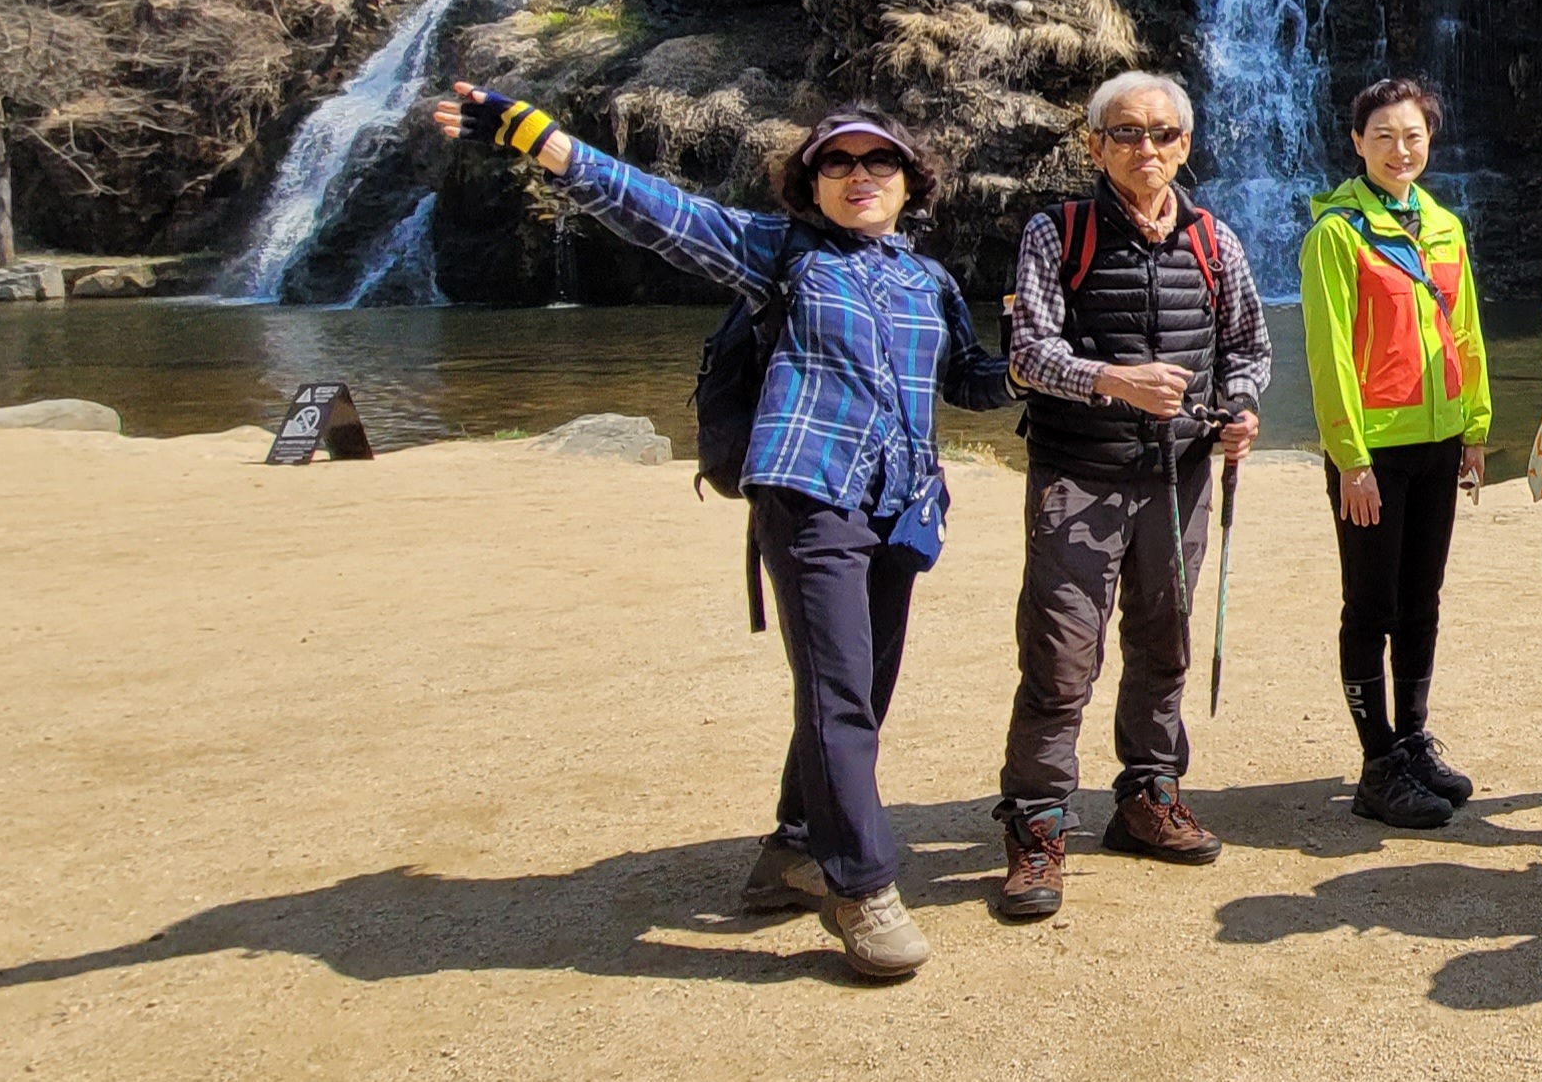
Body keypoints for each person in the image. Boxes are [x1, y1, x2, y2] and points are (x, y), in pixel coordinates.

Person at [429, 81, 1012, 983]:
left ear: (910, 181)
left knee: (859, 691)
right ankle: (861, 887)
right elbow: (656, 211)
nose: (859, 174)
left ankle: (792, 849)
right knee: (839, 692)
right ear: (810, 184)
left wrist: (1041, 359)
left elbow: (969, 382)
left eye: (879, 161)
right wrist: (537, 137)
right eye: (838, 162)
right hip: (808, 494)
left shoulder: (927, 281)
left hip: (900, 505)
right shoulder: (778, 251)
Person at [993, 70, 1269, 922]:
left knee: (1165, 642)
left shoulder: (1215, 241)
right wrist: (1113, 380)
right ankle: (1038, 824)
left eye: (1162, 133)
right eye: (1125, 132)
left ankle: (1149, 793)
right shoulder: (1057, 233)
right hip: (1077, 476)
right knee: (1060, 655)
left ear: (1185, 144)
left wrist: (1242, 410)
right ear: (1094, 145)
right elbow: (1026, 354)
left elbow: (1248, 349)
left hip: (1178, 478)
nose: (1145, 147)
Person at [1300, 77, 1492, 829]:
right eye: (1382, 135)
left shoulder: (1444, 226)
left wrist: (1476, 428)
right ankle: (1377, 763)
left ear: (1429, 139)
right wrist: (1350, 459)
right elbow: (1329, 357)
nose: (1399, 149)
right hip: (1373, 454)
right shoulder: (1337, 234)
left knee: (1422, 601)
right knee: (1371, 605)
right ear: (1357, 142)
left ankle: (1412, 740)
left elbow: (1466, 331)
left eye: (1412, 135)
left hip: (1438, 444)